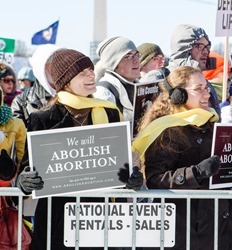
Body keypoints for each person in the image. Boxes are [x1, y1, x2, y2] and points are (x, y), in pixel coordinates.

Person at [16, 49, 144, 249]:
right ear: (66, 81)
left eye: (91, 70)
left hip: (98, 218)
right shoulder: (42, 119)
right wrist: (24, 181)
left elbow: (120, 165)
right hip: (57, 219)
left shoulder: (110, 113)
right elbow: (26, 172)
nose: (92, 76)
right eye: (83, 73)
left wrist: (132, 178)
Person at [132, 66, 232, 249]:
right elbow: (154, 179)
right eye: (198, 89)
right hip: (186, 230)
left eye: (206, 87)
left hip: (219, 226)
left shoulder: (211, 123)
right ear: (178, 95)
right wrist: (195, 173)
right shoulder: (166, 130)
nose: (207, 94)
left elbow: (219, 173)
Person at [167, 24, 221, 116]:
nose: (205, 52)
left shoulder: (206, 85)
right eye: (200, 46)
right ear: (184, 49)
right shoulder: (161, 78)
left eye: (207, 47)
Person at [11, 44, 63, 126]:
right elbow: (17, 135)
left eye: (62, 63)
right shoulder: (22, 102)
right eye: (54, 63)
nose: (61, 68)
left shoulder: (78, 94)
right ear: (41, 68)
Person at [93, 36, 141, 122]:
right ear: (113, 63)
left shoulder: (142, 88)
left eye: (137, 54)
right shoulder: (104, 93)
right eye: (128, 56)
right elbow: (108, 134)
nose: (136, 60)